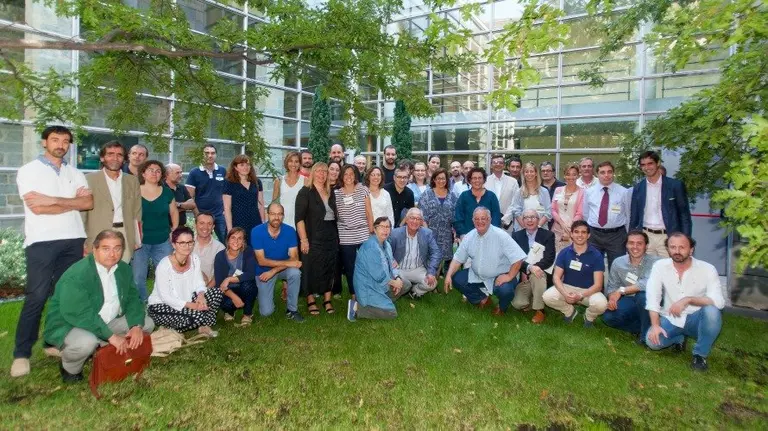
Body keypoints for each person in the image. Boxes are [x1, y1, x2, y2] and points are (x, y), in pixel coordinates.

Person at [11, 125, 94, 378]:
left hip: (73, 240)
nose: (61, 144)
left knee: (65, 296)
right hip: (42, 241)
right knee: (36, 296)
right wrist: (71, 203)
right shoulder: (28, 171)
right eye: (55, 139)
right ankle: (21, 354)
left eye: (65, 141)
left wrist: (53, 200)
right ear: (44, 142)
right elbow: (37, 208)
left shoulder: (75, 172)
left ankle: (54, 342)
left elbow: (88, 203)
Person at [43, 230, 154, 383]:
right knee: (86, 343)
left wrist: (136, 325)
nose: (112, 254)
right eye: (106, 248)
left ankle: (102, 344)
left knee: (146, 324)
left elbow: (132, 299)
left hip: (106, 320)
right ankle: (70, 368)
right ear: (94, 250)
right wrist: (111, 336)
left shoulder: (123, 269)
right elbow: (81, 313)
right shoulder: (78, 274)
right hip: (72, 323)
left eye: (117, 248)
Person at [645, 233, 724, 371]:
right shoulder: (660, 266)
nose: (677, 251)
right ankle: (679, 338)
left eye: (682, 247)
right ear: (668, 249)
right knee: (652, 343)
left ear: (691, 249)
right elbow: (653, 297)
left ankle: (700, 355)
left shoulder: (707, 269)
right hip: (672, 318)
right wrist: (655, 325)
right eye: (673, 247)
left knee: (712, 311)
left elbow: (719, 301)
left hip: (697, 319)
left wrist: (689, 299)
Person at [445, 207, 525, 316]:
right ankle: (482, 298)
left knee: (505, 290)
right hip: (477, 275)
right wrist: (448, 275)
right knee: (457, 279)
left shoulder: (501, 235)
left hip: (500, 276)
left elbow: (518, 257)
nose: (480, 221)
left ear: (489, 219)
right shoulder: (469, 236)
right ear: (473, 220)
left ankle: (502, 307)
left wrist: (510, 276)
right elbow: (458, 258)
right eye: (476, 219)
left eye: (483, 218)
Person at [147, 227, 222, 337]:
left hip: (186, 298)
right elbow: (165, 297)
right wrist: (192, 305)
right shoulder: (164, 265)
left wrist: (201, 295)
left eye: (190, 242)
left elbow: (199, 282)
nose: (187, 246)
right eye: (182, 243)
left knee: (217, 293)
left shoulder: (194, 258)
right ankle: (169, 326)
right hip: (162, 305)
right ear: (173, 244)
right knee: (197, 317)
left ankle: (204, 326)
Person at [82, 141, 141, 263]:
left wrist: (137, 238)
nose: (115, 158)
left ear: (124, 159)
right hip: (98, 234)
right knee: (99, 275)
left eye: (119, 155)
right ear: (102, 158)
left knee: (120, 273)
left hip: (125, 233)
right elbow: (82, 214)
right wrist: (84, 242)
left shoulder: (132, 181)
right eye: (110, 154)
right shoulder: (88, 179)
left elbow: (137, 212)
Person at [542, 221, 607, 327]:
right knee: (547, 297)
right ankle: (570, 312)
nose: (580, 235)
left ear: (588, 235)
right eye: (576, 232)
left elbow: (598, 285)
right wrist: (564, 293)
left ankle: (589, 317)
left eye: (583, 232)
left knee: (601, 305)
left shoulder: (596, 255)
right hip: (568, 288)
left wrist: (580, 295)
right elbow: (556, 277)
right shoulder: (564, 252)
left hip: (588, 291)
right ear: (571, 234)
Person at [629, 151, 692, 257]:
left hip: (668, 236)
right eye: (643, 165)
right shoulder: (638, 188)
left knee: (670, 270)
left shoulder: (675, 186)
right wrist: (632, 237)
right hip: (645, 236)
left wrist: (686, 240)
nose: (647, 167)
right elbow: (634, 216)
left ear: (658, 163)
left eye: (650, 163)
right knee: (646, 271)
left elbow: (684, 216)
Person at [295, 163, 338, 316]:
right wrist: (303, 240)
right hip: (312, 234)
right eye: (318, 171)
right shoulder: (305, 192)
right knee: (309, 268)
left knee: (329, 266)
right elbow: (299, 218)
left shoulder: (330, 191)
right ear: (313, 173)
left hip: (331, 235)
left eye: (325, 171)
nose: (322, 174)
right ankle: (310, 299)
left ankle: (327, 299)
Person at [133, 160, 178, 302]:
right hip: (140, 242)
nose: (154, 173)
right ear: (143, 173)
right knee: (138, 277)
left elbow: (174, 212)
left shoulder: (166, 192)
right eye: (150, 170)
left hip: (163, 241)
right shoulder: (134, 191)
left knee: (166, 275)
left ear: (162, 175)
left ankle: (162, 302)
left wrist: (174, 230)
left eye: (158, 170)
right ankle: (143, 303)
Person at [251, 203, 304, 322]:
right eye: (273, 214)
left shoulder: (290, 231)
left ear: (283, 216)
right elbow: (261, 261)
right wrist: (288, 263)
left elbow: (294, 258)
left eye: (279, 214)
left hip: (281, 270)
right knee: (266, 312)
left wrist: (274, 271)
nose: (276, 217)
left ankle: (292, 310)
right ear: (267, 214)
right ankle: (263, 296)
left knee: (295, 273)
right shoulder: (256, 231)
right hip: (263, 272)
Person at [602, 230, 658, 344]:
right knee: (609, 317)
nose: (635, 247)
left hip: (650, 301)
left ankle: (644, 338)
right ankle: (644, 327)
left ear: (646, 246)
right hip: (629, 300)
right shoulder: (618, 262)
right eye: (631, 243)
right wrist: (612, 299)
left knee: (642, 296)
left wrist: (622, 290)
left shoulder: (656, 262)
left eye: (639, 243)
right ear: (626, 245)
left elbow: (647, 283)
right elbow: (612, 286)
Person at [347, 217, 403, 321]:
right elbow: (378, 276)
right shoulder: (371, 246)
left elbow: (393, 264)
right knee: (392, 314)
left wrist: (398, 278)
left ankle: (381, 303)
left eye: (388, 227)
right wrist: (394, 283)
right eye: (382, 227)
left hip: (382, 284)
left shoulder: (387, 245)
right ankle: (356, 308)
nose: (385, 230)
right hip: (369, 286)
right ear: (375, 228)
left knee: (405, 283)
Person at [335, 164, 374, 301]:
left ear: (355, 175)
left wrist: (371, 232)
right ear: (341, 176)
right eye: (345, 174)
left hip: (363, 233)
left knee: (366, 265)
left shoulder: (363, 189)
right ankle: (354, 295)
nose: (349, 177)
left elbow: (369, 212)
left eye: (351, 174)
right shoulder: (337, 194)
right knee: (350, 268)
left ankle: (368, 291)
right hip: (346, 236)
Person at [511, 209, 556, 324]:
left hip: (542, 273)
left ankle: (539, 310)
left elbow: (549, 258)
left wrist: (535, 268)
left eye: (533, 217)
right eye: (526, 217)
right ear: (522, 220)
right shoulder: (516, 236)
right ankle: (532, 300)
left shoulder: (548, 235)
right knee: (518, 304)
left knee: (537, 276)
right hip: (524, 275)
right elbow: (515, 259)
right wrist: (529, 268)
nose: (529, 220)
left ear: (538, 220)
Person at [582, 161, 629, 269]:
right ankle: (598, 287)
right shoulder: (589, 192)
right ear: (597, 175)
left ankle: (614, 287)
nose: (606, 175)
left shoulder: (623, 192)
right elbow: (585, 214)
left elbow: (628, 214)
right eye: (602, 172)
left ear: (613, 173)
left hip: (617, 236)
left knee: (617, 268)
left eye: (609, 172)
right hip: (594, 235)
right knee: (593, 267)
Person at [388, 208, 441, 298]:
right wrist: (392, 260)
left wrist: (431, 272)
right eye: (412, 218)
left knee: (432, 283)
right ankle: (405, 287)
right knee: (399, 284)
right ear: (407, 219)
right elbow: (386, 250)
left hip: (417, 269)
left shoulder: (427, 233)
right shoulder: (395, 233)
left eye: (418, 219)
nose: (415, 221)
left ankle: (414, 291)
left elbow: (436, 252)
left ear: (421, 222)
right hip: (399, 269)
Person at [214, 228, 257, 325]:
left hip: (243, 286)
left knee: (249, 286)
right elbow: (219, 283)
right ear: (228, 240)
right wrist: (234, 298)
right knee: (225, 304)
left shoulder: (248, 251)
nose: (236, 241)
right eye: (233, 238)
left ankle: (247, 314)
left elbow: (250, 274)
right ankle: (230, 312)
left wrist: (229, 279)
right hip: (228, 290)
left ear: (243, 241)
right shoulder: (220, 256)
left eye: (239, 238)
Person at [419, 168, 458, 274]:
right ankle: (430, 278)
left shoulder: (452, 195)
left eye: (443, 178)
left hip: (446, 233)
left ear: (447, 180)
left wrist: (455, 232)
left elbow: (455, 215)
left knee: (442, 257)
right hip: (430, 231)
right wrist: (427, 234)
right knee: (431, 256)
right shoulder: (427, 194)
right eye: (438, 178)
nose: (441, 181)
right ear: (434, 180)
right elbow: (422, 215)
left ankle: (436, 278)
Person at [185, 144, 227, 241]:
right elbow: (189, 197)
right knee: (202, 241)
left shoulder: (223, 170)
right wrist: (198, 215)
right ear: (202, 155)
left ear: (216, 155)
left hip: (220, 215)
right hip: (202, 215)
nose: (210, 155)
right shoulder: (194, 172)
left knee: (226, 242)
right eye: (207, 153)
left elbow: (227, 193)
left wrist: (226, 211)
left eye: (213, 153)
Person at [223, 154, 265, 245]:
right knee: (238, 249)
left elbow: (261, 205)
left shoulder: (257, 182)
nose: (245, 167)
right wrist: (230, 230)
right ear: (235, 167)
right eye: (242, 165)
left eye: (248, 164)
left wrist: (263, 224)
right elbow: (227, 208)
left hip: (255, 221)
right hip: (237, 222)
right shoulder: (229, 183)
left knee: (255, 250)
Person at [454, 167, 501, 239]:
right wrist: (462, 233)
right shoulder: (464, 196)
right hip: (467, 237)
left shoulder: (491, 196)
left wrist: (492, 234)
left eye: (480, 178)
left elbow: (496, 218)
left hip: (489, 237)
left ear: (484, 180)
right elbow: (458, 217)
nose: (477, 180)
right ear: (470, 180)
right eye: (474, 178)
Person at [504, 162, 552, 231]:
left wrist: (537, 227)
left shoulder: (544, 192)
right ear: (523, 174)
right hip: (522, 230)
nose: (529, 174)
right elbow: (516, 212)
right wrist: (526, 228)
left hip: (541, 230)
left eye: (531, 171)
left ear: (536, 173)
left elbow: (548, 211)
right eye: (526, 172)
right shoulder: (519, 192)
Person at [551, 164, 585, 256]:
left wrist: (569, 229)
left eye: (574, 174)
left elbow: (580, 213)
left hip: (574, 232)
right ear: (564, 176)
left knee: (573, 258)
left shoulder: (582, 192)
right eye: (568, 174)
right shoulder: (558, 190)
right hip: (557, 230)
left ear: (578, 175)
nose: (571, 177)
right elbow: (553, 209)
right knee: (557, 258)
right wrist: (562, 224)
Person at [272, 151, 307, 230]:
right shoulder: (279, 181)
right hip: (282, 223)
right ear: (286, 163)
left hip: (300, 223)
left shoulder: (305, 181)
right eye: (290, 161)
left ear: (300, 163)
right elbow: (274, 204)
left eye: (296, 161)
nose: (293, 164)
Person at [486, 154, 520, 230]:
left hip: (507, 225)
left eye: (500, 162)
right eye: (495, 162)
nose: (498, 164)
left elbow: (515, 202)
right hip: (488, 224)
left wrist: (504, 220)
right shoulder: (485, 181)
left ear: (504, 165)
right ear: (491, 165)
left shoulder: (513, 182)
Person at [193, 212, 225, 288]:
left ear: (213, 227)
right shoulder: (185, 244)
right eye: (201, 223)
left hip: (208, 288)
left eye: (209, 224)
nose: (205, 227)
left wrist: (205, 291)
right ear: (195, 225)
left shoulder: (220, 248)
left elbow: (219, 275)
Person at [165, 163, 196, 228]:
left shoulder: (182, 187)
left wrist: (178, 205)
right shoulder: (161, 188)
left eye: (181, 172)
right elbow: (165, 209)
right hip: (166, 228)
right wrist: (184, 207)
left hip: (181, 228)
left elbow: (192, 204)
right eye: (177, 173)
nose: (180, 175)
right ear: (167, 174)